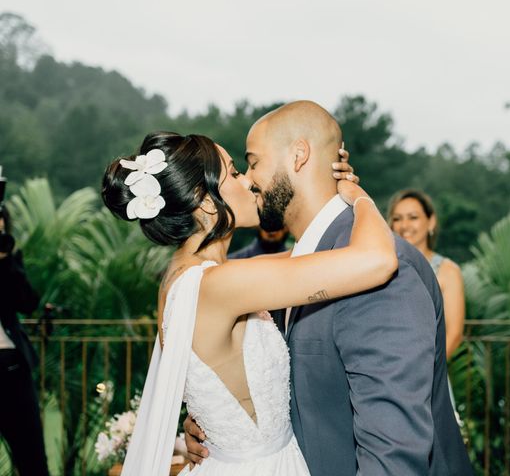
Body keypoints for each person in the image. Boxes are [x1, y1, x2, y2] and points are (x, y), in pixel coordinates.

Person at [184, 101, 473, 475]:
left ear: (298, 156)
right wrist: (225, 428)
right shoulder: (304, 269)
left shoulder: (375, 269)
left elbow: (393, 453)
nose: (249, 179)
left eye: (252, 162)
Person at [101, 130, 398, 475]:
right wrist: (359, 198)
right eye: (235, 172)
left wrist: (328, 192)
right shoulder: (217, 285)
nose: (250, 181)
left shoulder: (193, 277)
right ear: (207, 200)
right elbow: (378, 260)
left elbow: (312, 253)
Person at [0, 206, 49, 476]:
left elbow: (28, 303)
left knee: (31, 455)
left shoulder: (8, 260)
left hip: (11, 365)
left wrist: (5, 261)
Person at [388, 189, 466, 360]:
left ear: (431, 222)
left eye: (413, 217)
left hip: (428, 376)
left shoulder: (447, 270)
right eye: (397, 219)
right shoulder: (383, 266)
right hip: (385, 372)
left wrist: (421, 373)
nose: (404, 225)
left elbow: (454, 335)